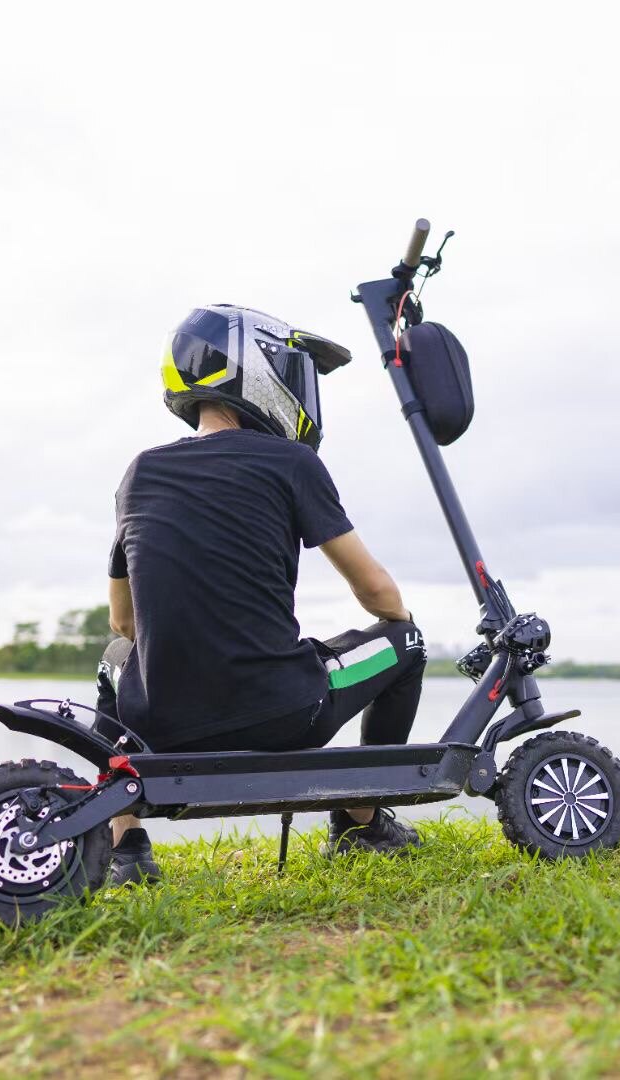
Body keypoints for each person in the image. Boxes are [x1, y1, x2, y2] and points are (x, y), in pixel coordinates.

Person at [99, 304, 427, 886]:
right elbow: (376, 592)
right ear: (255, 366)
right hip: (283, 713)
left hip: (163, 722)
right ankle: (362, 822)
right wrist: (399, 620)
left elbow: (123, 624)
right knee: (408, 642)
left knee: (112, 662)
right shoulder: (290, 462)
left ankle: (126, 846)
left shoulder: (140, 473)